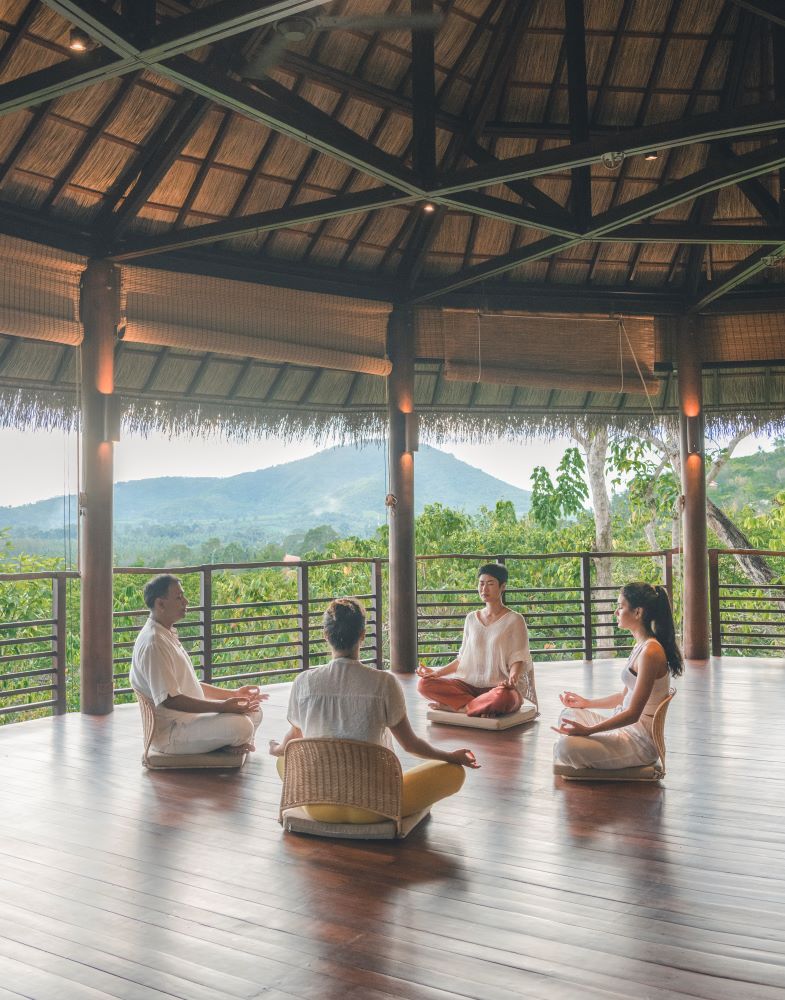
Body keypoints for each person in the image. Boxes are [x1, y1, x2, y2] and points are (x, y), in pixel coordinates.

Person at [270, 597, 479, 823]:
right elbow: (411, 745)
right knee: (454, 772)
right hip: (376, 806)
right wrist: (450, 756)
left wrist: (277, 748)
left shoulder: (304, 682)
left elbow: (293, 737)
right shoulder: (383, 683)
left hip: (317, 804)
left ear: (326, 636)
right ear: (362, 635)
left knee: (283, 760)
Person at [130, 574, 267, 755]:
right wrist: (222, 706)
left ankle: (226, 744)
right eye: (179, 597)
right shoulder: (154, 643)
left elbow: (189, 685)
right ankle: (227, 744)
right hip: (172, 733)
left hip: (190, 722)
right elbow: (170, 700)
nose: (186, 601)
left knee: (254, 711)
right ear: (160, 604)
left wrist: (233, 694)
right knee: (243, 726)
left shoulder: (165, 633)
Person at [552, 582, 683, 770]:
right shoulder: (641, 645)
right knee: (569, 714)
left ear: (638, 612)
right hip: (624, 729)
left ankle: (577, 745)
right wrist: (586, 703)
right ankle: (584, 743)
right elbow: (623, 698)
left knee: (564, 747)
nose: (616, 612)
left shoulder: (651, 652)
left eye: (621, 607)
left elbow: (633, 714)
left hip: (638, 743)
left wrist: (589, 731)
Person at [416, 563, 536, 717]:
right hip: (467, 687)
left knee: (505, 698)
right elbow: (461, 659)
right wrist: (436, 673)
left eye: (490, 584)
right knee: (424, 684)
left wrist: (513, 678)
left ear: (503, 586)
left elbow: (518, 658)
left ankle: (459, 707)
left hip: (497, 688)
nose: (484, 589)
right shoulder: (471, 618)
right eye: (481, 583)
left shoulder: (515, 620)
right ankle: (476, 707)